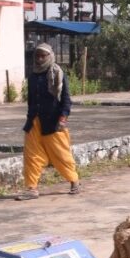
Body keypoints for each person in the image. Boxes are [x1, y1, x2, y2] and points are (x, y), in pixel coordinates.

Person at [16, 43, 79, 200]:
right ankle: (31, 188)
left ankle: (74, 181)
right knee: (31, 155)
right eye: (37, 55)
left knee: (61, 154)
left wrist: (63, 118)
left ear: (49, 56)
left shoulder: (57, 73)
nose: (39, 58)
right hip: (34, 122)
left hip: (53, 122)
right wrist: (30, 118)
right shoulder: (32, 77)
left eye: (43, 55)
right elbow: (31, 101)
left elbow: (66, 99)